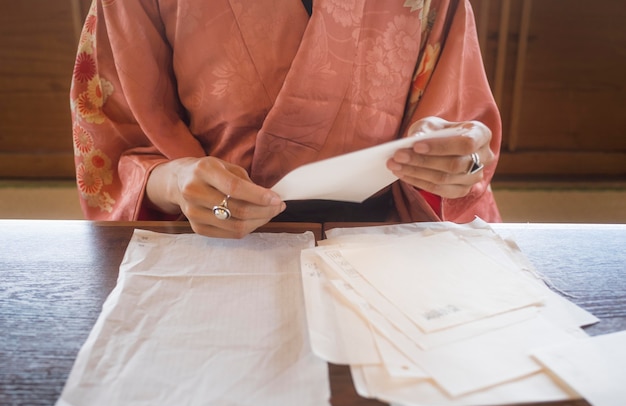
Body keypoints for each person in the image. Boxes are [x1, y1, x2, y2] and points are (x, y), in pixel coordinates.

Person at [70, 0, 502, 238]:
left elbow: (464, 136)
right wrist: (178, 181)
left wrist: (456, 158)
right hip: (212, 238)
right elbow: (118, 142)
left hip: (385, 244)